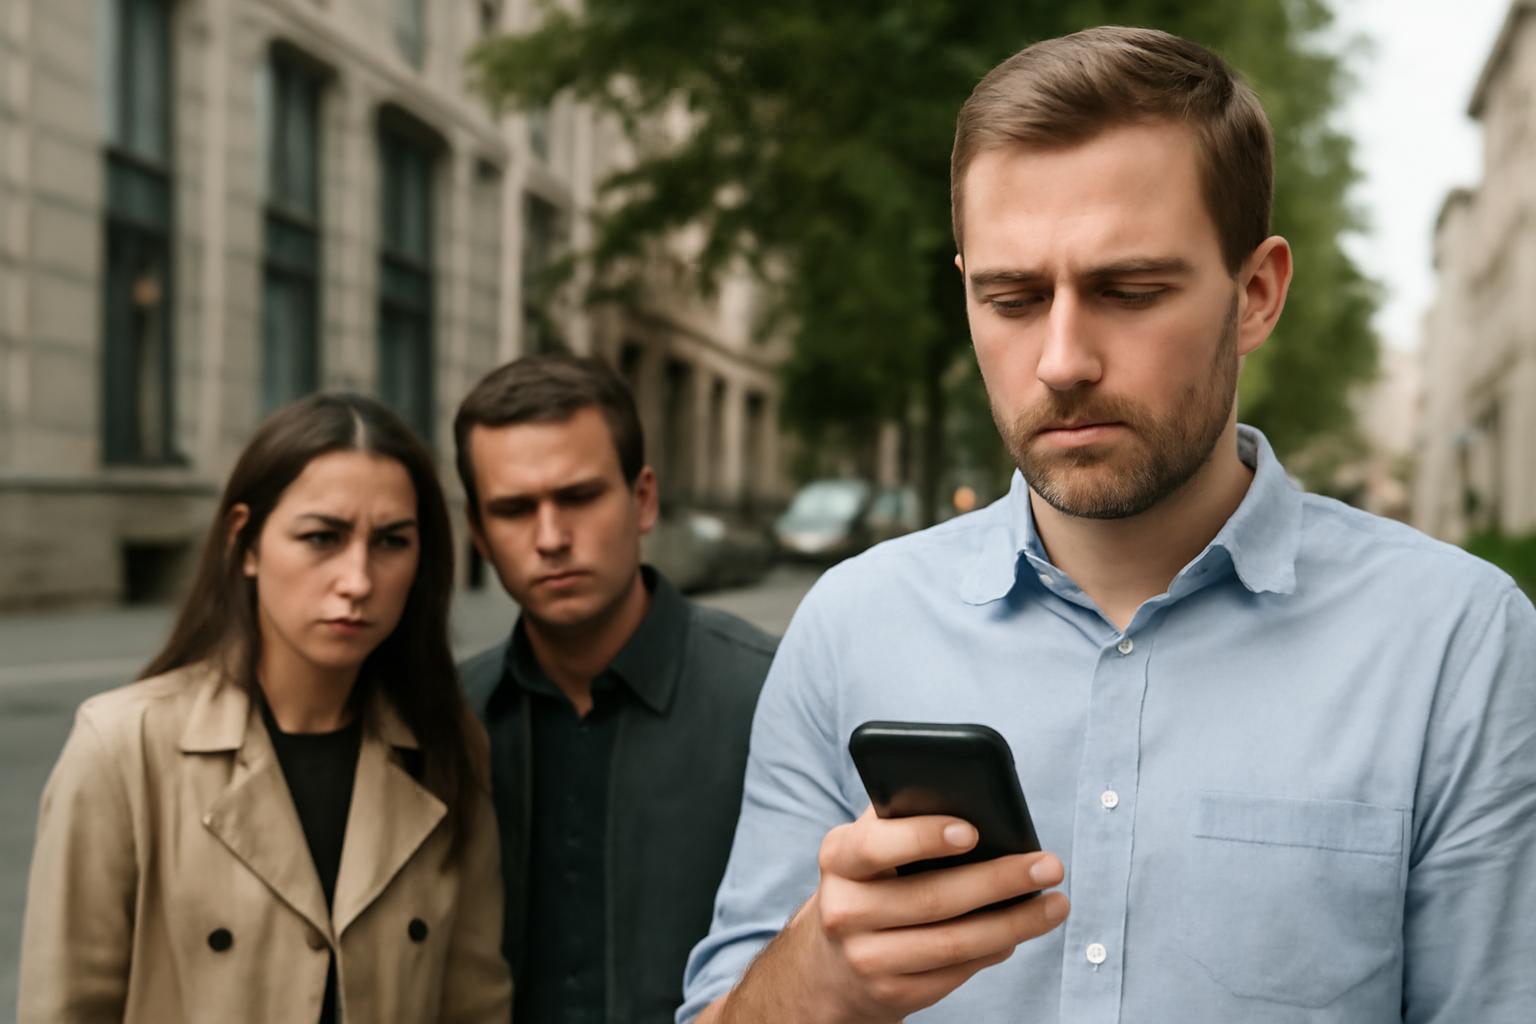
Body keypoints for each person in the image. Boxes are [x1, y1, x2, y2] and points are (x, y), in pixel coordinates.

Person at [680, 26, 1536, 1024]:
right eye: (1010, 297)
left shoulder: (1454, 641)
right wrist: (813, 979)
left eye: (1129, 291)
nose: (1061, 359)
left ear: (1256, 293)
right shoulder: (849, 628)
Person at [19, 394, 513, 1023]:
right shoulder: (123, 747)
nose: (357, 579)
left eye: (391, 542)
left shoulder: (445, 746)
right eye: (322, 538)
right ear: (245, 543)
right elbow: (62, 1008)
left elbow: (476, 1004)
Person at [454, 354, 776, 1023]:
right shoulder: (448, 721)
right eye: (514, 510)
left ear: (643, 499)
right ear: (478, 536)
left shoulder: (769, 697)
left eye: (578, 497)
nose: (551, 538)